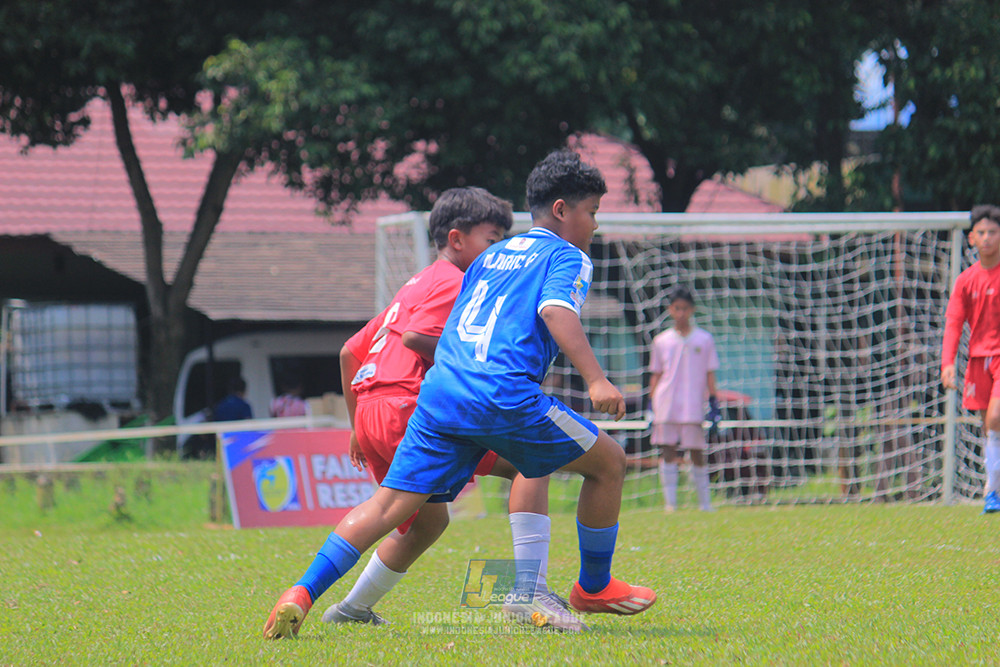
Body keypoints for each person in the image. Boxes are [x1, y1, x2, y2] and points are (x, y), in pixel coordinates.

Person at [263, 149, 656, 640]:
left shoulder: (490, 255)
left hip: (441, 394)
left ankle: (302, 591)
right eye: (592, 212)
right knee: (609, 462)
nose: (594, 225)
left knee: (390, 506)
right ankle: (590, 587)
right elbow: (557, 310)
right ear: (561, 210)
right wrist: (597, 379)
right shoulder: (566, 255)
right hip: (502, 393)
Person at [322, 186, 578, 631]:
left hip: (371, 408)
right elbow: (415, 339)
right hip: (413, 408)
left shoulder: (415, 282)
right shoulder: (458, 281)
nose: (499, 251)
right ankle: (528, 589)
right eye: (493, 240)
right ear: (458, 240)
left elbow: (349, 352)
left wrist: (353, 428)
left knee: (422, 523)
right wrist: (478, 360)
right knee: (530, 462)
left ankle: (348, 609)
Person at [941, 204, 1000, 514]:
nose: (987, 238)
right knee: (988, 428)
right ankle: (993, 491)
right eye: (982, 233)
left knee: (994, 419)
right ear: (971, 238)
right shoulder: (966, 280)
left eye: (993, 232)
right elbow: (953, 322)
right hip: (978, 361)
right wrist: (947, 363)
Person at [648, 287, 720, 512]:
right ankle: (671, 505)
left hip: (693, 404)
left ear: (692, 310)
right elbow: (656, 374)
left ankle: (704, 504)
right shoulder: (661, 340)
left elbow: (710, 373)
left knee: (697, 451)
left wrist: (714, 402)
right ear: (670, 310)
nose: (681, 313)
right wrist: (650, 406)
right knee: (667, 450)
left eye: (685, 308)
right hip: (666, 403)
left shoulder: (704, 339)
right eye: (677, 308)